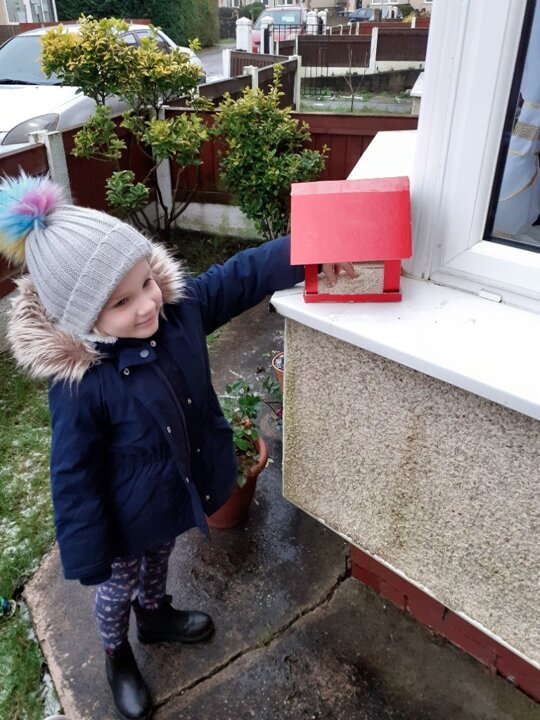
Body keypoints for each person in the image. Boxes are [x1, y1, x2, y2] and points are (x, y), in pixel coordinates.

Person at [0, 174, 353, 720]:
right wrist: (88, 551)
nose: (147, 305)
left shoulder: (177, 312)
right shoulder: (81, 385)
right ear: (81, 319)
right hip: (123, 518)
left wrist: (303, 252)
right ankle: (117, 654)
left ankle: (155, 615)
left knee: (161, 558)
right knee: (117, 588)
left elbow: (238, 276)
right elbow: (72, 472)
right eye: (122, 302)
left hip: (168, 495)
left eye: (146, 282)